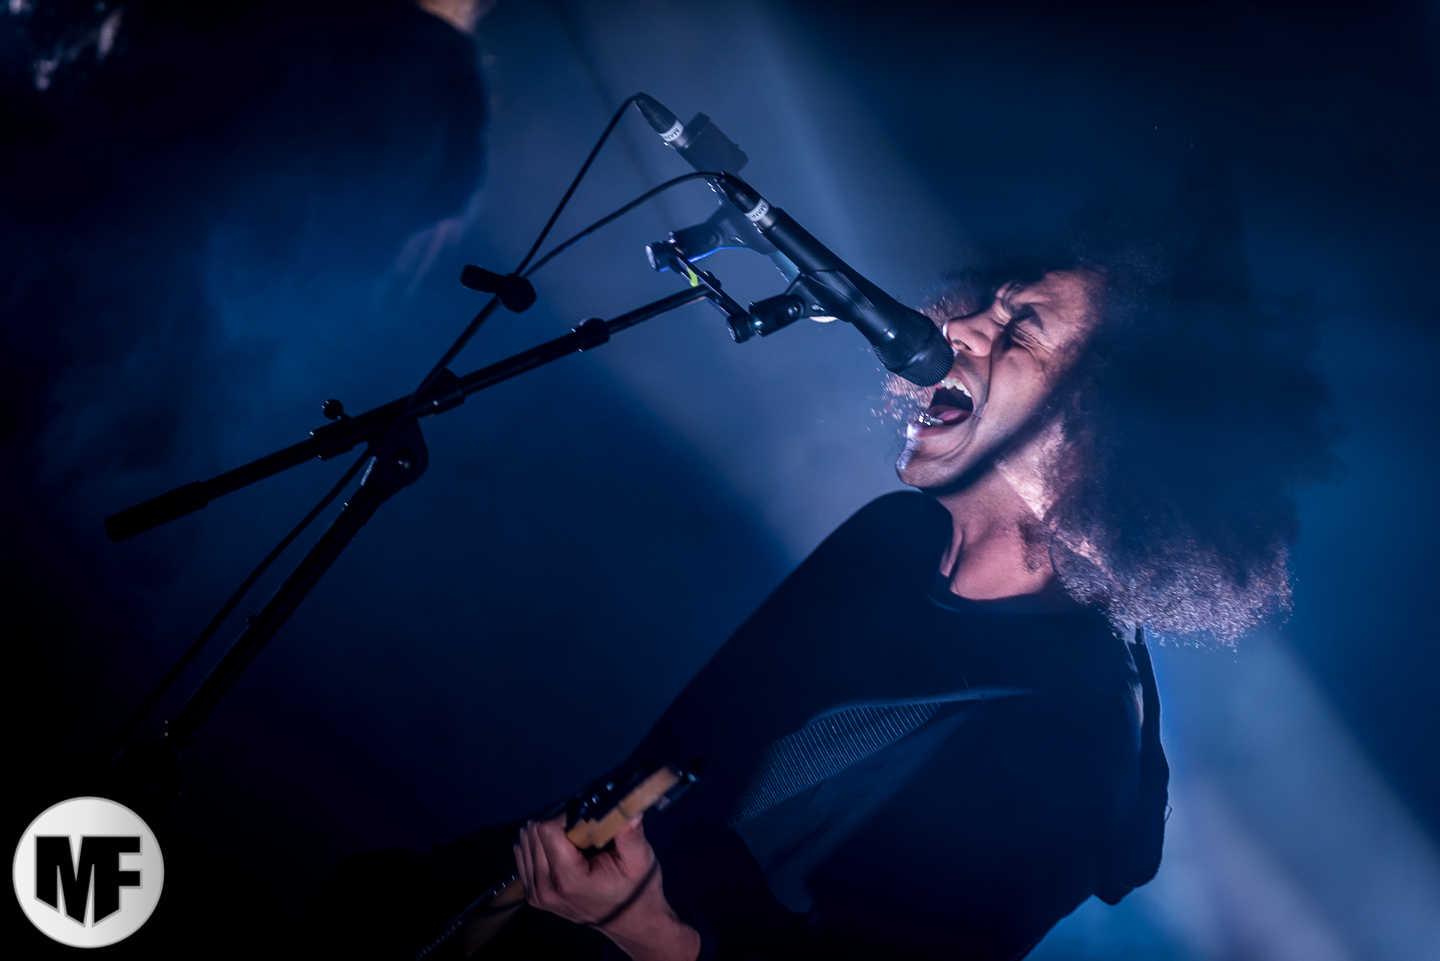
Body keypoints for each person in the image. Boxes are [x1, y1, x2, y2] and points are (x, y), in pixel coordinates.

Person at [313, 176, 1335, 959]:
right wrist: (467, 897)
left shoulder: (1073, 735)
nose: (955, 327)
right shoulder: (891, 540)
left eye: (1019, 330)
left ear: (1108, 437)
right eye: (991, 304)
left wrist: (647, 929)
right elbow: (657, 767)